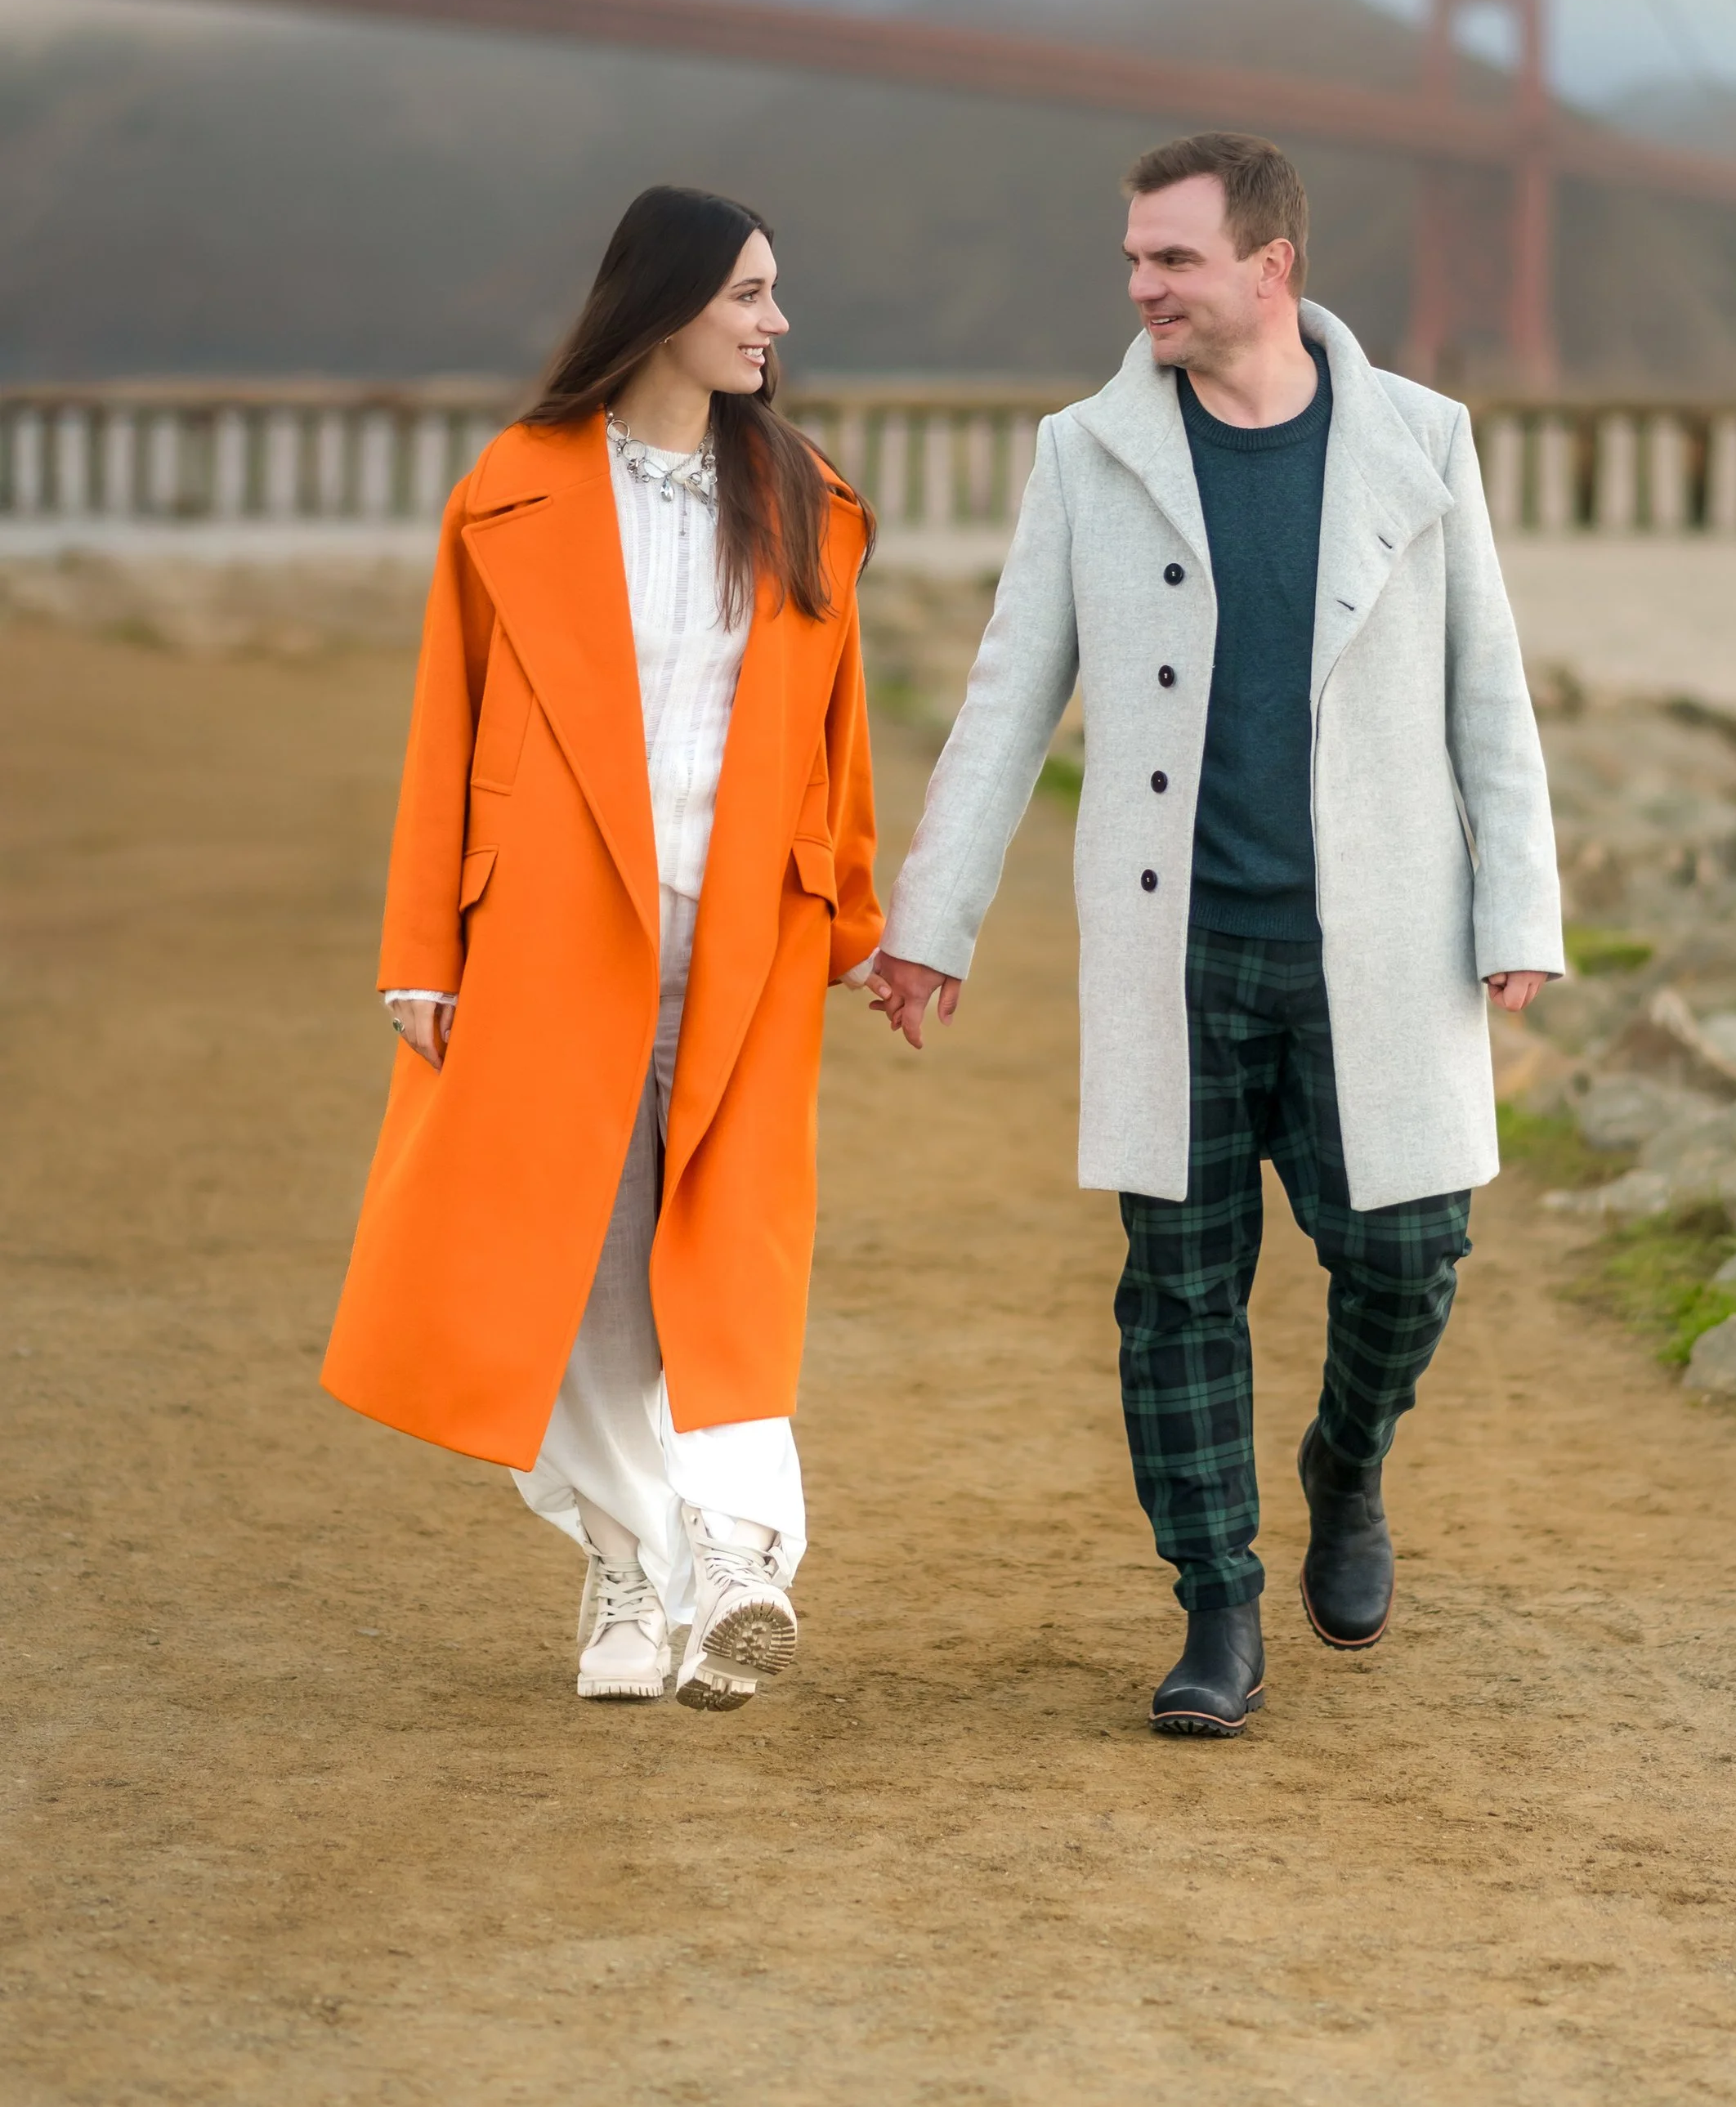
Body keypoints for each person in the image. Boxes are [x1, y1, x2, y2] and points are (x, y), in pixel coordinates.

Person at [873, 133, 1563, 1736]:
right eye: (1131, 259)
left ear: (1270, 266)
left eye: (1170, 259)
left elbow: (1487, 691)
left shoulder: (1421, 438)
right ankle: (1217, 1604)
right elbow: (1003, 699)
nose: (1139, 287)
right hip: (1173, 953)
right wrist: (932, 923)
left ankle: (1345, 1458)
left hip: (1374, 948)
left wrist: (1513, 902)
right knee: (1176, 1286)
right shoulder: (1084, 452)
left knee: (1407, 1249)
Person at [323, 186, 887, 1711]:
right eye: (751, 295)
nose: (777, 323)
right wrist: (419, 947)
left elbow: (837, 744)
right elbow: (448, 718)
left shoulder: (809, 499)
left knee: (733, 1259)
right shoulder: (511, 487)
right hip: (549, 932)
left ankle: (741, 1564)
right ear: (666, 305)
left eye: (777, 295)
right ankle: (637, 1573)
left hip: (746, 936)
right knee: (582, 1273)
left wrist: (857, 920)